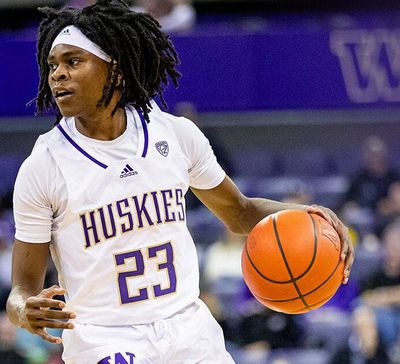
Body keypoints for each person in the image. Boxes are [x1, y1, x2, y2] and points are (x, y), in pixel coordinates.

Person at [6, 1, 354, 363]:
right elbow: (21, 289)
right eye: (52, 66)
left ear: (115, 70)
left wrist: (311, 216)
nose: (57, 75)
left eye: (73, 62)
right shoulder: (44, 166)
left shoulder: (174, 134)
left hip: (188, 329)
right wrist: (23, 311)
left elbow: (240, 213)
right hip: (106, 339)